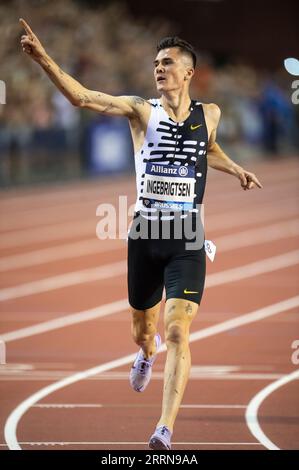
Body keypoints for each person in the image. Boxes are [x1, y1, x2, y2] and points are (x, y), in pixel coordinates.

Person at [20, 19, 262, 450]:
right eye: (155, 62)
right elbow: (82, 97)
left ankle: (164, 429)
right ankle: (144, 354)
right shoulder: (140, 110)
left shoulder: (211, 114)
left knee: (177, 331)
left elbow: (208, 148)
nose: (158, 68)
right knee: (143, 331)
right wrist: (43, 59)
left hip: (188, 237)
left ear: (188, 72)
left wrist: (236, 167)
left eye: (167, 62)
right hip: (145, 236)